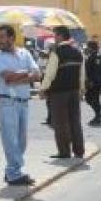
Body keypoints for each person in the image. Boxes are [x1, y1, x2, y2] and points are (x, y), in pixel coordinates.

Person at [0, 24, 42, 185]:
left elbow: (38, 75)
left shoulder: (24, 53)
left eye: (2, 37)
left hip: (23, 102)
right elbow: (8, 78)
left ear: (12, 38)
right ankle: (14, 173)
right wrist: (27, 74)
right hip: (8, 103)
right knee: (10, 140)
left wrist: (20, 77)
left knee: (21, 140)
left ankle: (13, 170)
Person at [40, 26, 86, 158]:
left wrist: (43, 88)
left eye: (55, 35)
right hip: (74, 91)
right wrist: (81, 90)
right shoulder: (78, 52)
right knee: (75, 121)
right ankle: (79, 150)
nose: (54, 38)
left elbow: (50, 74)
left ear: (60, 36)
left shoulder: (57, 52)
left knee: (60, 122)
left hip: (59, 92)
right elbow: (82, 74)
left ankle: (64, 151)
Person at [84, 40, 101, 125]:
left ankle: (98, 115)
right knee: (90, 98)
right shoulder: (92, 55)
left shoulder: (96, 56)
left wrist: (92, 81)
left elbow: (96, 70)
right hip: (93, 81)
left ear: (91, 47)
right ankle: (98, 114)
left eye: (88, 47)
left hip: (94, 82)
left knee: (93, 98)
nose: (87, 48)